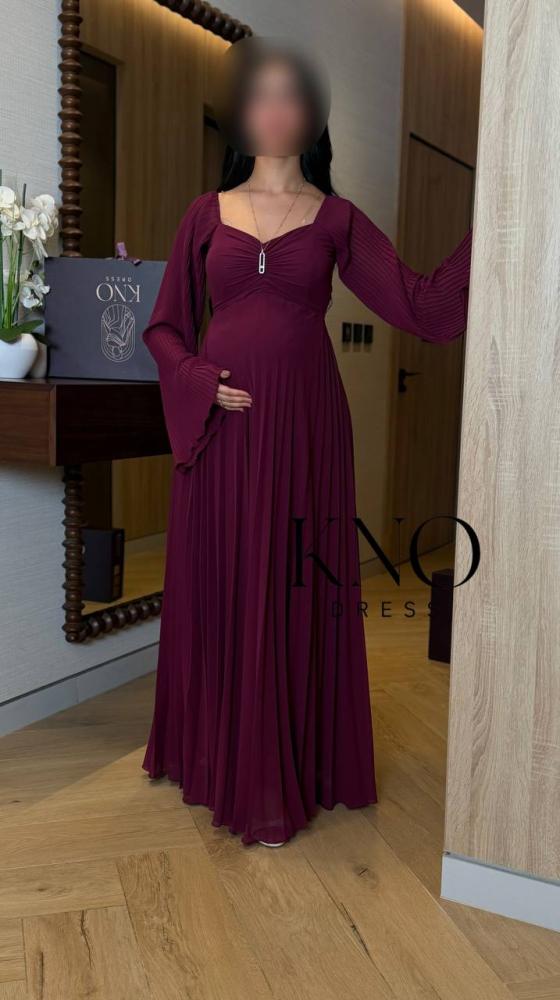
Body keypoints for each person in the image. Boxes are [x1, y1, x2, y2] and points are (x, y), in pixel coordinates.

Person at [141, 42, 472, 848]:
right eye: (261, 96)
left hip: (305, 433)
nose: (275, 110)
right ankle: (214, 756)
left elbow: (423, 307)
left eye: (291, 97)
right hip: (221, 434)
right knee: (224, 581)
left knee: (291, 587)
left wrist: (495, 224)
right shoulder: (203, 213)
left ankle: (286, 768)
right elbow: (164, 327)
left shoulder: (337, 219)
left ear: (314, 115)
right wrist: (196, 379)